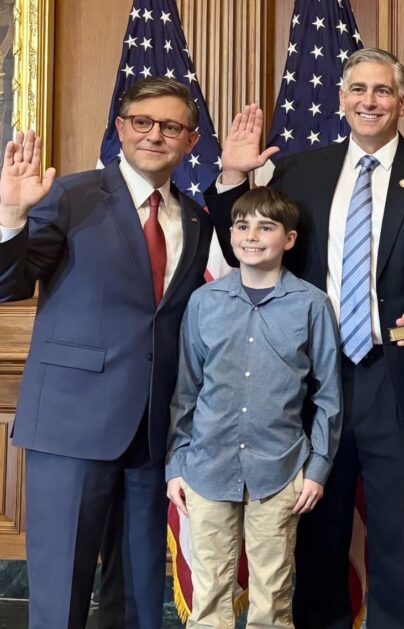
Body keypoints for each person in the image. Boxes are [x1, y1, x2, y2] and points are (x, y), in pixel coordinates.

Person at [205, 48, 404, 627]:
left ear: (403, 102)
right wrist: (232, 179)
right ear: (341, 99)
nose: (369, 101)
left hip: (399, 376)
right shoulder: (299, 173)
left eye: (382, 91)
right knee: (316, 533)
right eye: (358, 89)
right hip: (307, 380)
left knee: (397, 535)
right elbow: (245, 246)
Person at [0, 77, 212, 628]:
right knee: (61, 597)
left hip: (152, 432)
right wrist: (10, 218)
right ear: (120, 128)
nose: (154, 135)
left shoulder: (197, 219)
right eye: (142, 122)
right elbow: (8, 284)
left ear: (190, 141)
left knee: (140, 596)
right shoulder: (69, 196)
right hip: (71, 426)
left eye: (171, 126)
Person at [166, 187, 342, 628]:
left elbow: (328, 396)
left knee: (272, 596)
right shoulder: (204, 302)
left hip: (280, 470)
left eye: (266, 227)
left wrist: (318, 468)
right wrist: (176, 464)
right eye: (243, 226)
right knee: (209, 594)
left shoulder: (312, 305)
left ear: (289, 239)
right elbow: (186, 390)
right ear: (230, 235)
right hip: (206, 468)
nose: (252, 236)